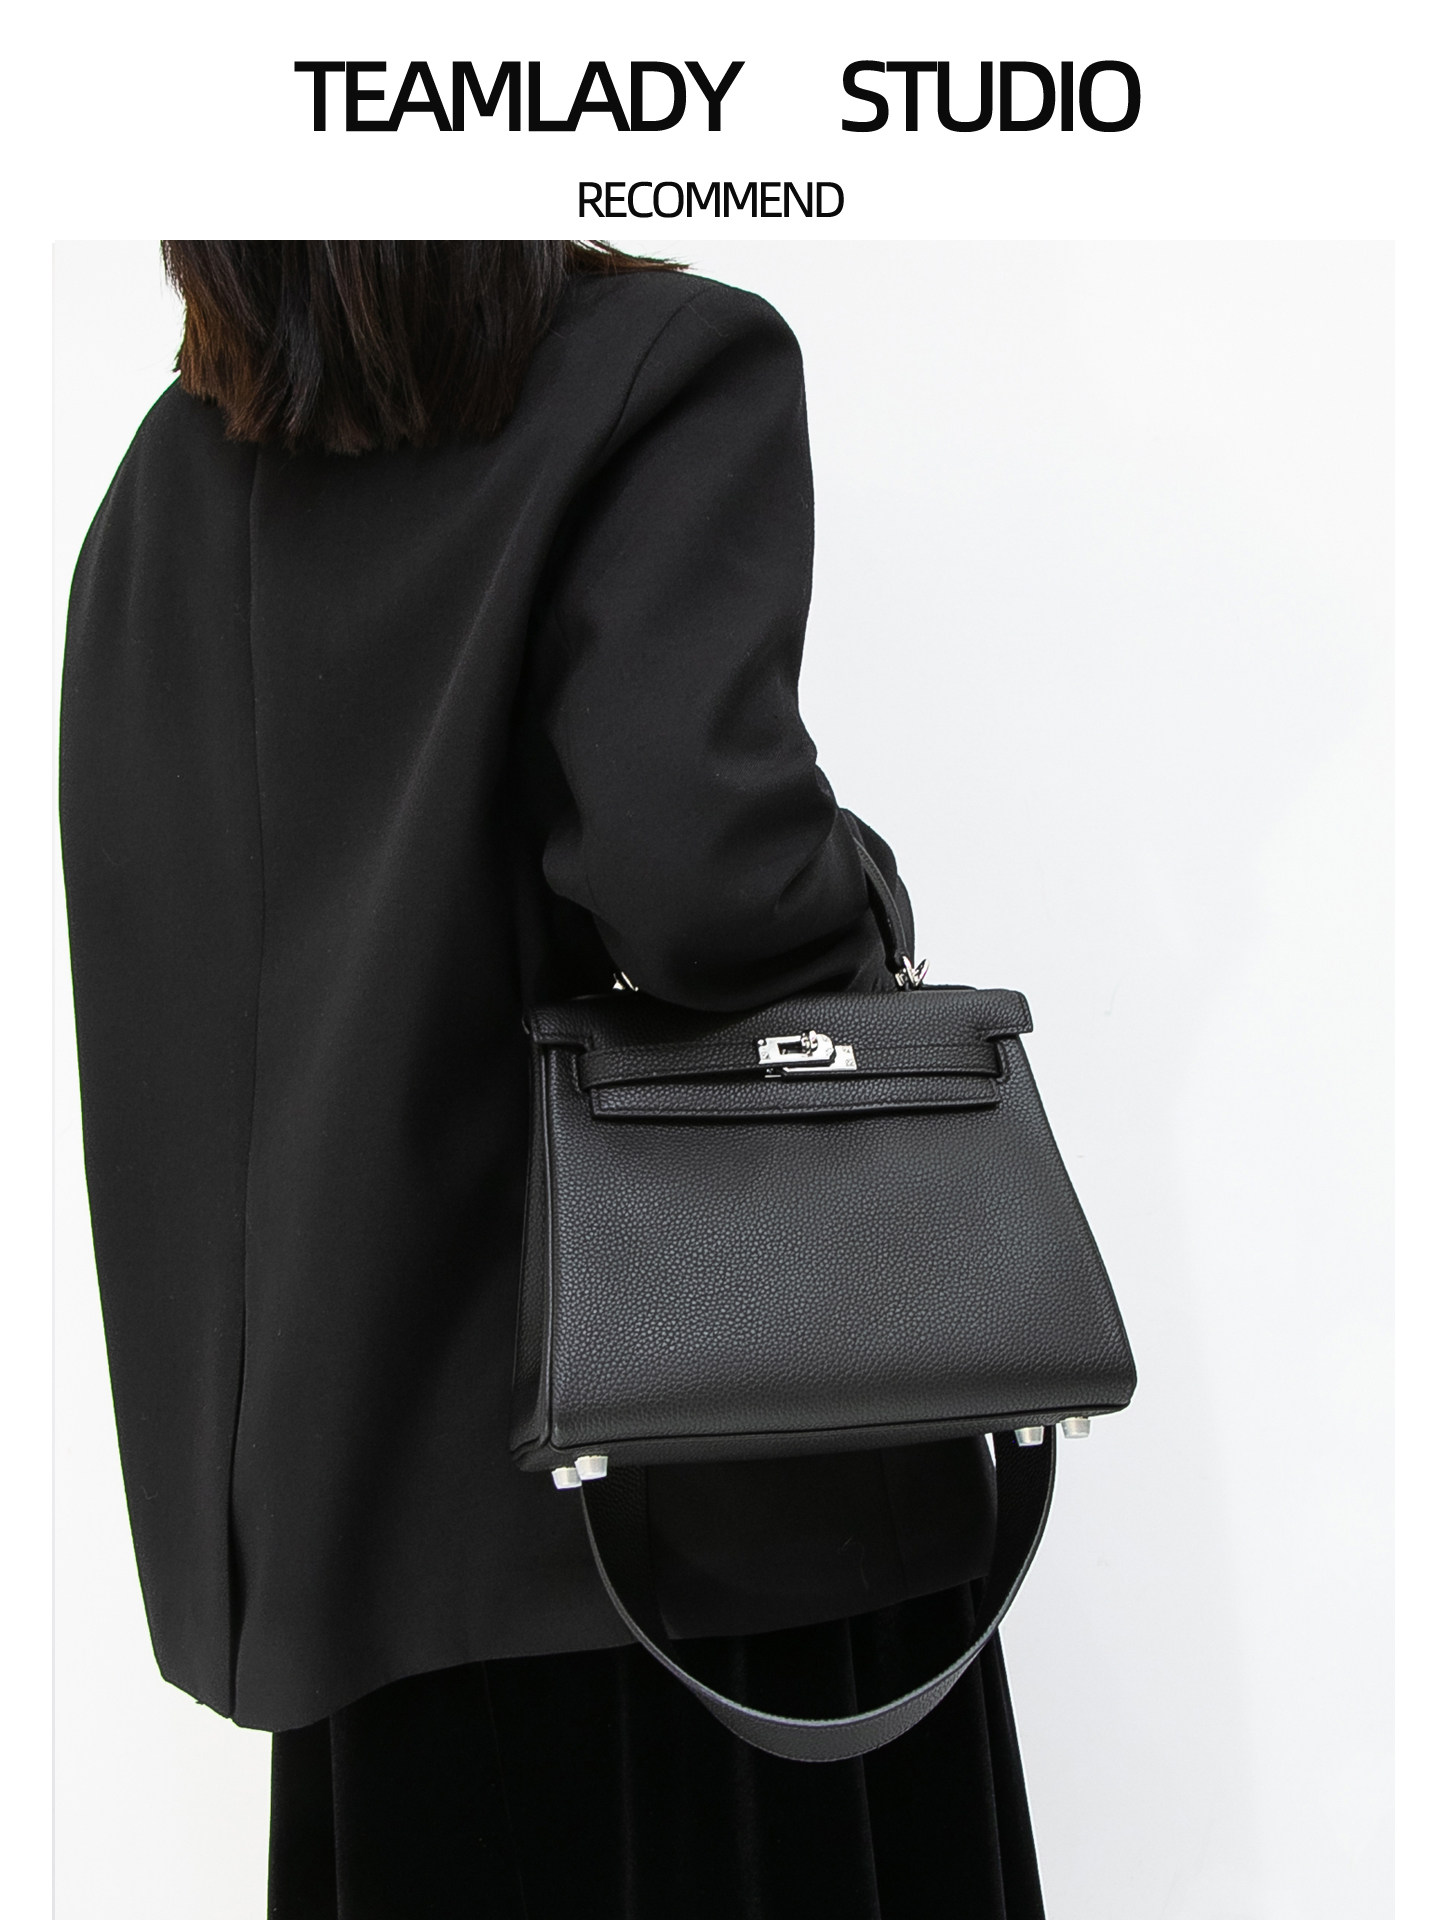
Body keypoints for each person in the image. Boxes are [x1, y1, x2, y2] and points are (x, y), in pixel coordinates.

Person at [60, 241, 1046, 1918]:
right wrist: (866, 892)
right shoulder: (660, 364)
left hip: (359, 1559)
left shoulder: (170, 474)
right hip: (690, 1542)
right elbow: (709, 882)